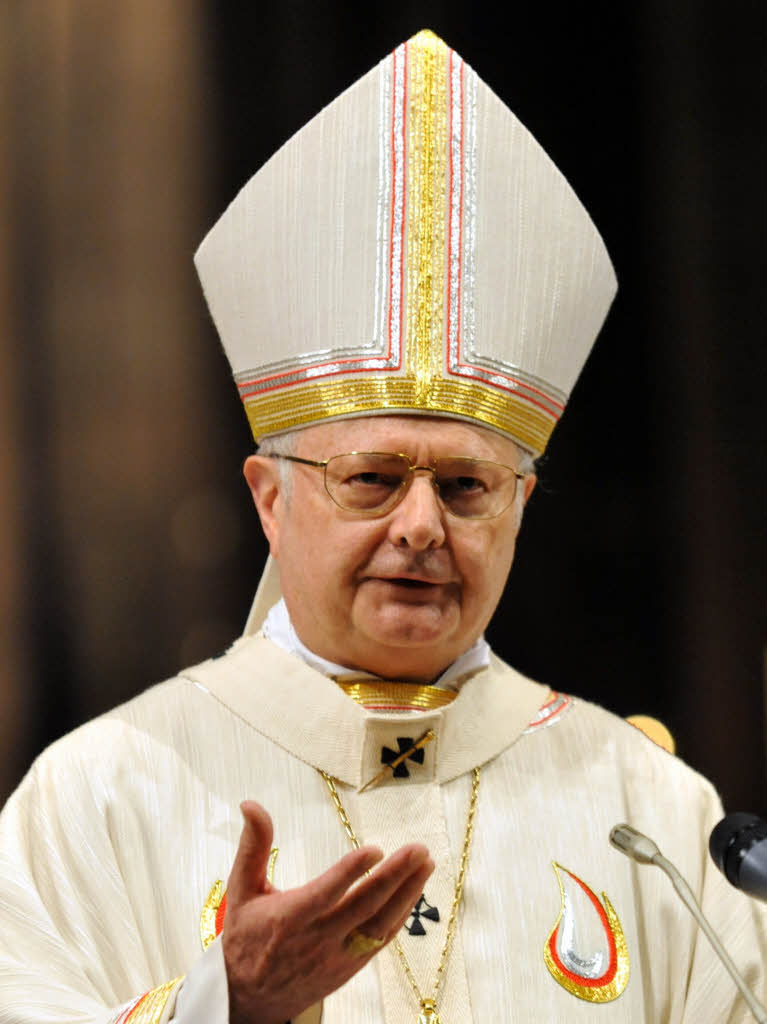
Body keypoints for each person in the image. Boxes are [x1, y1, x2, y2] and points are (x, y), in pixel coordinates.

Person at [0, 28, 765, 1024]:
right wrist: (223, 1004)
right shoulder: (98, 799)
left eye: (463, 487)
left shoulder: (651, 814)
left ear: (520, 506)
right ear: (268, 499)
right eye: (369, 478)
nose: (420, 527)